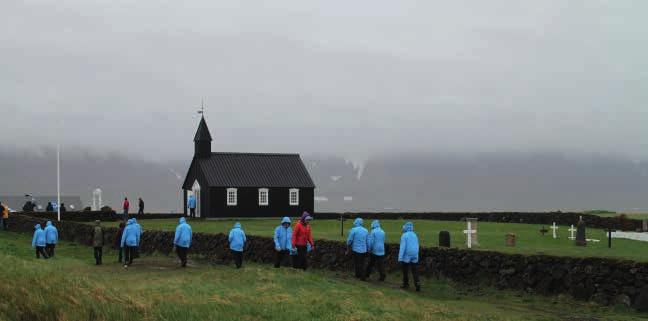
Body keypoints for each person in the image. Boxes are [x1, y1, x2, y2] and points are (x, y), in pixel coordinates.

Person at [399, 222, 421, 291]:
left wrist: (400, 258)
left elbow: (402, 247)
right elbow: (417, 245)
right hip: (415, 254)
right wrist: (416, 255)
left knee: (405, 270)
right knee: (415, 270)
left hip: (407, 255)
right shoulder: (415, 235)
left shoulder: (404, 235)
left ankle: (405, 284)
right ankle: (417, 283)